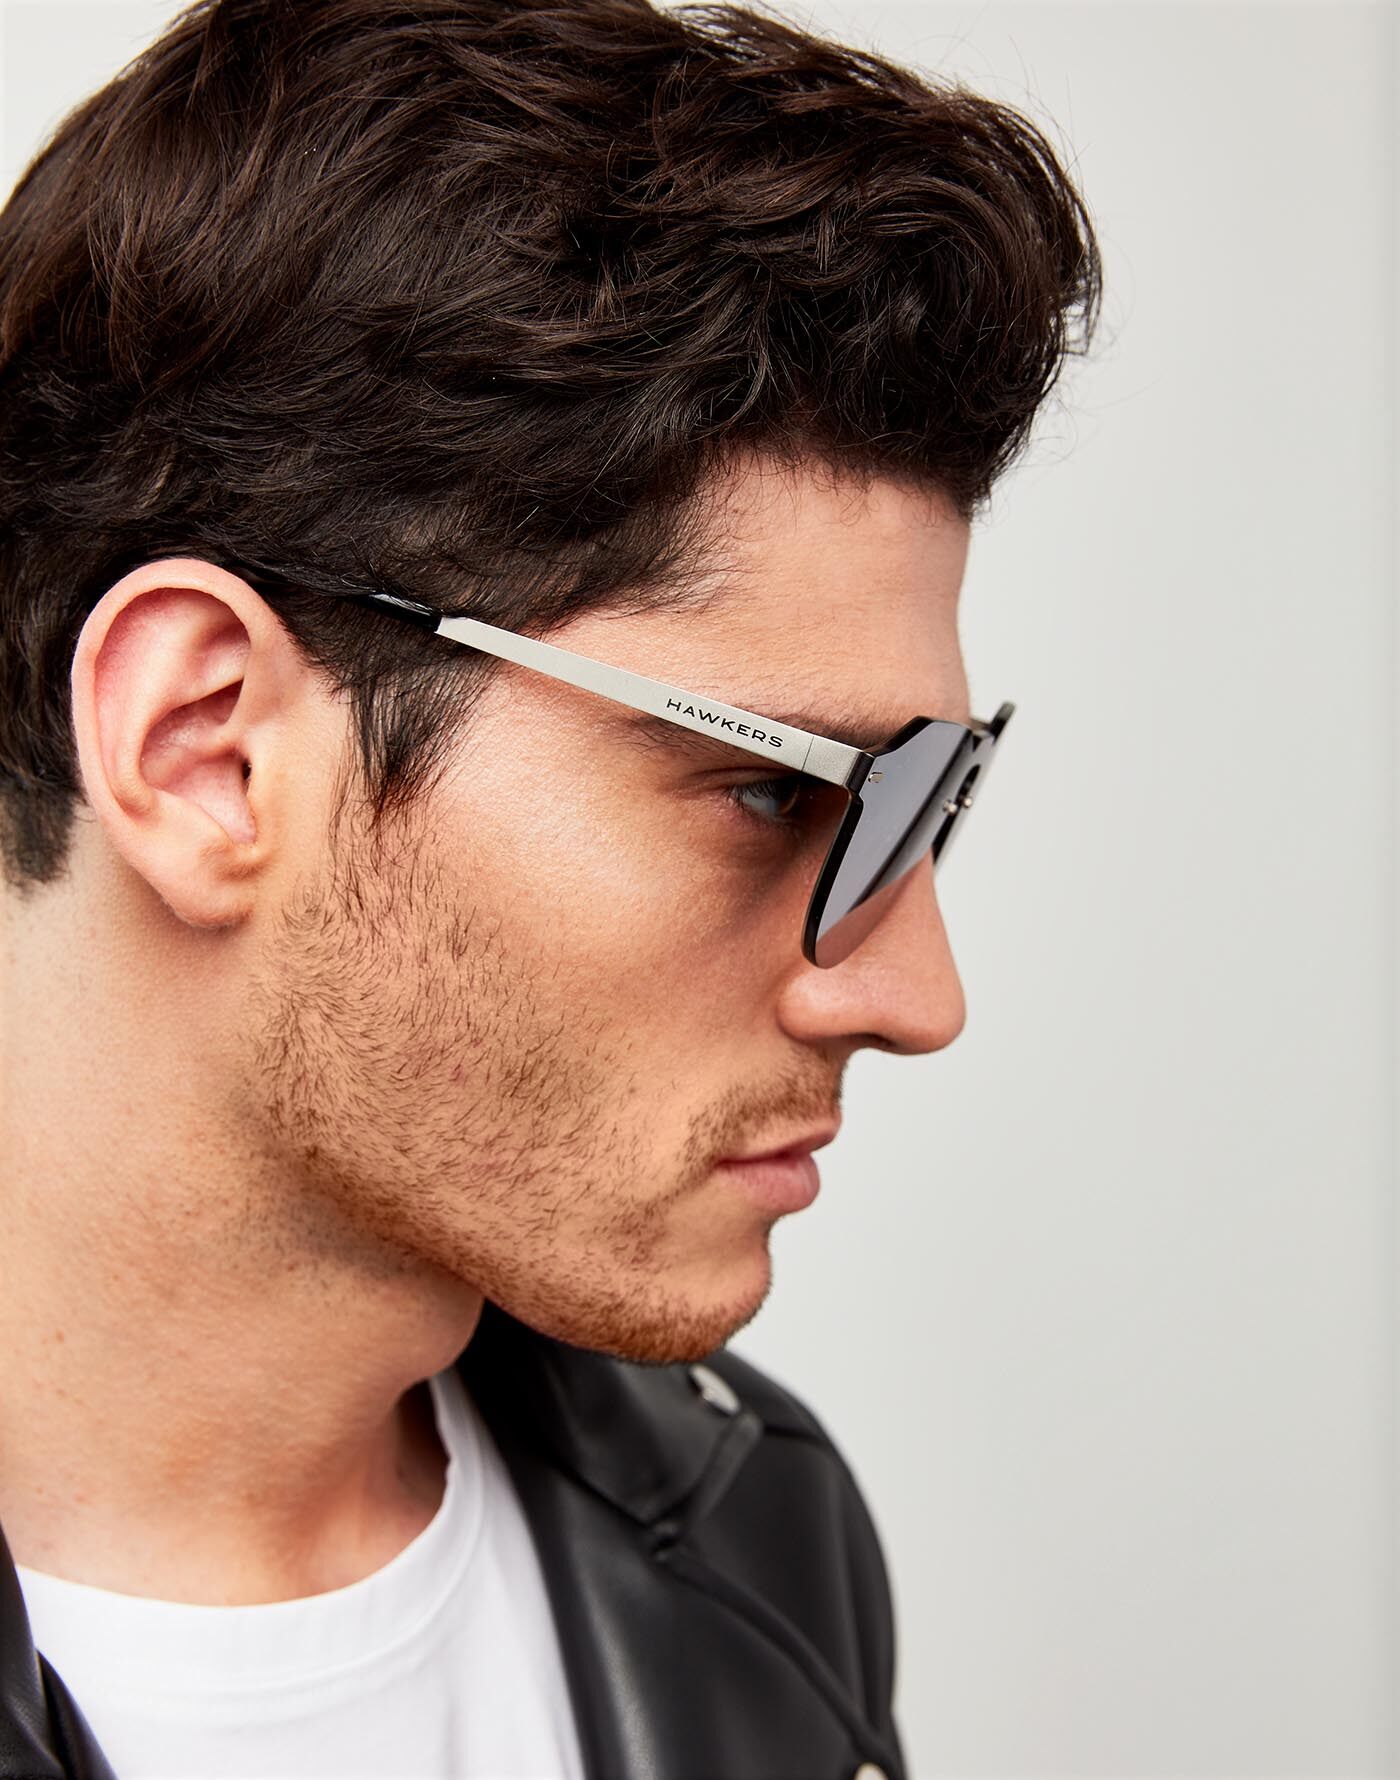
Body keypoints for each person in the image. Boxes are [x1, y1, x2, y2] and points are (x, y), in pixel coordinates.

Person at [0, 0, 1101, 1774]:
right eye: (772, 790)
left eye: (924, 805)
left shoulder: (757, 1541)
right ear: (207, 751)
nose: (916, 997)